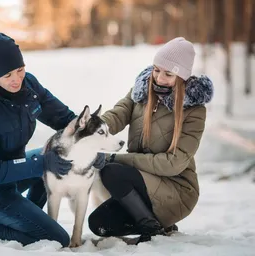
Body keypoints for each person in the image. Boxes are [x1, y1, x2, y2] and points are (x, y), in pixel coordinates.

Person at [0, 33, 104, 247]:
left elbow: (62, 118)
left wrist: (89, 144)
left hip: (12, 173)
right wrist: (42, 163)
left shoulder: (28, 85)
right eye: (7, 75)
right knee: (57, 239)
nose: (16, 79)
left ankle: (24, 215)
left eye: (20, 70)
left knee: (55, 160)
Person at [88, 37, 214, 243]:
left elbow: (173, 164)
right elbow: (117, 114)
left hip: (176, 189)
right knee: (99, 224)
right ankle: (159, 222)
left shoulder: (194, 111)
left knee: (111, 170)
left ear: (182, 76)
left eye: (168, 74)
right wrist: (90, 129)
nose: (159, 78)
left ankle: (151, 227)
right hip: (140, 181)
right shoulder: (142, 92)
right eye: (156, 70)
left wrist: (115, 158)